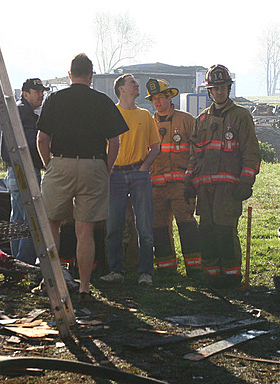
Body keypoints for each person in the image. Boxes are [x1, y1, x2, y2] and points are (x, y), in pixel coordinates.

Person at [36, 53, 128, 301]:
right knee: (85, 231)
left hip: (60, 163)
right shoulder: (101, 100)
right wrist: (105, 169)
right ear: (91, 76)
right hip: (93, 165)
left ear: (69, 74)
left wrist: (49, 166)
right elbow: (115, 142)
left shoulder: (55, 99)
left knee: (52, 224)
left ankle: (51, 281)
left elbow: (42, 139)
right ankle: (85, 286)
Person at [185, 65, 260, 288]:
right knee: (206, 231)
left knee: (225, 230)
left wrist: (246, 182)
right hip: (204, 188)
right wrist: (188, 181)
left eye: (223, 88)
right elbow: (194, 155)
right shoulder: (201, 120)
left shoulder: (240, 117)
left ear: (228, 88)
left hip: (229, 189)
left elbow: (251, 153)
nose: (219, 92)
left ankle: (230, 275)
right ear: (210, 91)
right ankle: (211, 275)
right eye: (215, 88)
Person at [101, 74, 161, 286]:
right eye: (132, 83)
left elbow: (155, 147)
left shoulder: (145, 115)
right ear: (121, 89)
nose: (137, 85)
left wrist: (144, 167)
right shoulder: (110, 113)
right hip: (115, 174)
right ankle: (116, 270)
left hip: (139, 173)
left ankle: (146, 273)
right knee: (114, 224)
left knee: (144, 225)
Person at [145, 78, 202, 278]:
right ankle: (166, 268)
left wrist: (191, 179)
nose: (158, 102)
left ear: (170, 97)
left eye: (161, 97)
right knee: (159, 227)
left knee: (186, 224)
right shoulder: (148, 123)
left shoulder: (186, 120)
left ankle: (195, 267)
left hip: (181, 185)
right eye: (154, 99)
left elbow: (197, 151)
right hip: (156, 187)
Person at [0, 77, 49, 265]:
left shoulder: (19, 111)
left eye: (42, 92)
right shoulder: (24, 113)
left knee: (18, 220)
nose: (41, 96)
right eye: (37, 92)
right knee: (31, 220)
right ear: (25, 93)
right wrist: (46, 157)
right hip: (25, 171)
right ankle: (25, 264)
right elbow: (30, 143)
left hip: (15, 171)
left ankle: (16, 262)